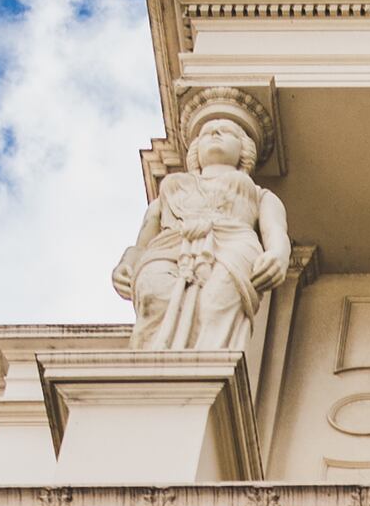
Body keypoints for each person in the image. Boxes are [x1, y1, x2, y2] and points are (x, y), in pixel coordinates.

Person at [115, 108, 289, 353]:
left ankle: (210, 365)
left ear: (244, 150)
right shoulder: (171, 190)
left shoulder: (260, 195)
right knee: (155, 295)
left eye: (227, 132)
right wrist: (127, 263)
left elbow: (276, 230)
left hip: (232, 247)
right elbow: (142, 242)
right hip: (170, 245)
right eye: (207, 133)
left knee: (216, 304)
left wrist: (279, 254)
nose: (215, 133)